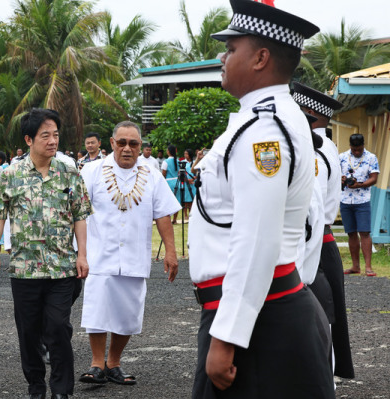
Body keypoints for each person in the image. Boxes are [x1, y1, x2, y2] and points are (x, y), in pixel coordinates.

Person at [188, 1, 334, 397]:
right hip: (266, 310)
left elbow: (256, 239)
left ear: (261, 58)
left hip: (256, 323)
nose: (223, 56)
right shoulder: (271, 117)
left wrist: (226, 337)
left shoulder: (263, 130)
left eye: (232, 48)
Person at [0, 108, 93, 399]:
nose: (52, 140)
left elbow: (80, 214)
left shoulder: (69, 172)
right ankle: (36, 386)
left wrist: (81, 254)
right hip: (25, 269)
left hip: (62, 267)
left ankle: (61, 391)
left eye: (55, 135)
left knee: (59, 327)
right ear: (29, 139)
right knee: (29, 333)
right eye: (45, 135)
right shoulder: (11, 174)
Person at [78, 121, 180, 386]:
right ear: (111, 143)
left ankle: (114, 363)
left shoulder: (152, 174)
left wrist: (171, 251)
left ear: (140, 147)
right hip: (99, 253)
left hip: (135, 254)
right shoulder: (91, 171)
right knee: (98, 310)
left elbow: (163, 214)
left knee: (128, 313)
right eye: (121, 143)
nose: (127, 149)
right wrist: (78, 251)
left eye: (133, 144)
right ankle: (97, 364)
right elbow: (77, 213)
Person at [293, 82, 355, 378]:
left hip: (314, 243)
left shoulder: (314, 149)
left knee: (317, 322)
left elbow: (310, 207)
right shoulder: (326, 145)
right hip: (321, 241)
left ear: (307, 112)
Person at [339, 133, 379, 277]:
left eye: (359, 149)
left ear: (363, 146)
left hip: (362, 201)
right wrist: (342, 179)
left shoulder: (371, 157)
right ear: (350, 146)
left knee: (365, 232)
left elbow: (374, 178)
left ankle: (368, 267)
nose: (356, 152)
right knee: (351, 233)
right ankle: (355, 266)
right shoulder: (342, 157)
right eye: (354, 149)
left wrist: (359, 185)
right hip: (345, 200)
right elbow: (335, 176)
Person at [161, 145, 191, 224]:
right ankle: (174, 219)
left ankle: (168, 219)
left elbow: (163, 174)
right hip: (177, 182)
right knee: (176, 201)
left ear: (168, 151)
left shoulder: (165, 162)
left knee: (167, 201)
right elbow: (180, 173)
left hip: (168, 182)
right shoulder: (178, 161)